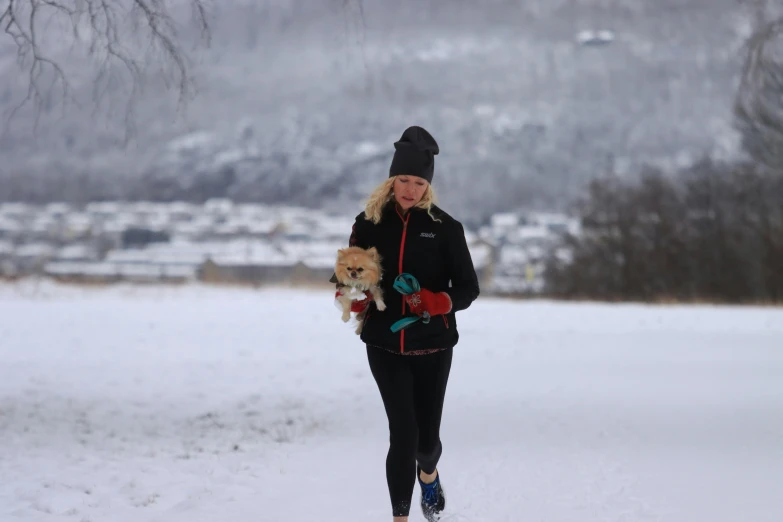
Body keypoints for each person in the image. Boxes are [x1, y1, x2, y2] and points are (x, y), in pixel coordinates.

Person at [332, 125, 480, 521]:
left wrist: (436, 300)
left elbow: (469, 288)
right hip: (384, 345)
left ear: (428, 185)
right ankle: (400, 517)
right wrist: (351, 293)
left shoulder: (447, 229)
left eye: (418, 182)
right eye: (403, 180)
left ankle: (428, 474)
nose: (410, 189)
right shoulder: (368, 223)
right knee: (404, 434)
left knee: (426, 442)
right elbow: (348, 271)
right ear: (392, 179)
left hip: (433, 344)